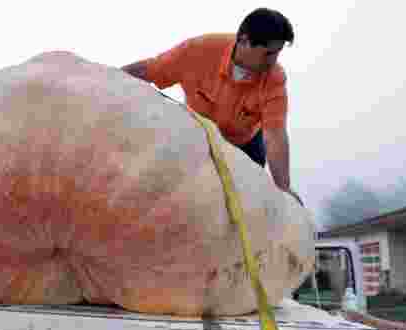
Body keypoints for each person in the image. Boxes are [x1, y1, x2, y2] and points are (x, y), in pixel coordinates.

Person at [121, 8, 299, 202]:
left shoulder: (274, 78)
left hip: (246, 145)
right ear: (244, 41)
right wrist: (106, 78)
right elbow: (149, 70)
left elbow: (274, 135)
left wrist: (283, 188)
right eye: (268, 54)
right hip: (198, 137)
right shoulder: (196, 51)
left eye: (278, 53)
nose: (273, 61)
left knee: (248, 200)